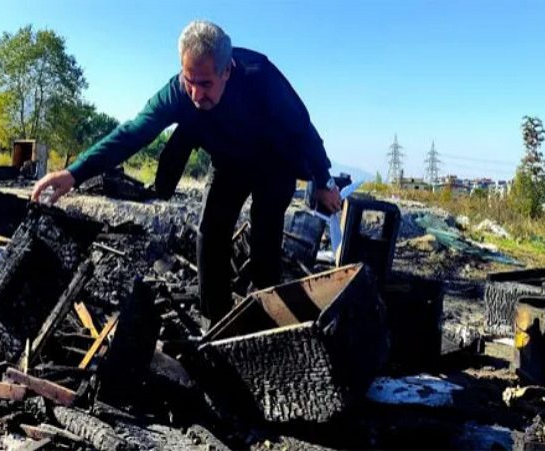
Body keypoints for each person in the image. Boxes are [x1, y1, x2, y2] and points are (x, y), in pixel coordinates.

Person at [32, 20, 341, 324]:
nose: (195, 94)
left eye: (205, 84)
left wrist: (324, 180)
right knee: (210, 235)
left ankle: (269, 321)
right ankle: (214, 322)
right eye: (188, 80)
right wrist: (73, 173)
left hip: (275, 162)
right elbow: (131, 134)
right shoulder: (177, 92)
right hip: (229, 163)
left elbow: (302, 129)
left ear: (227, 71)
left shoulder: (260, 77)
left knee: (265, 239)